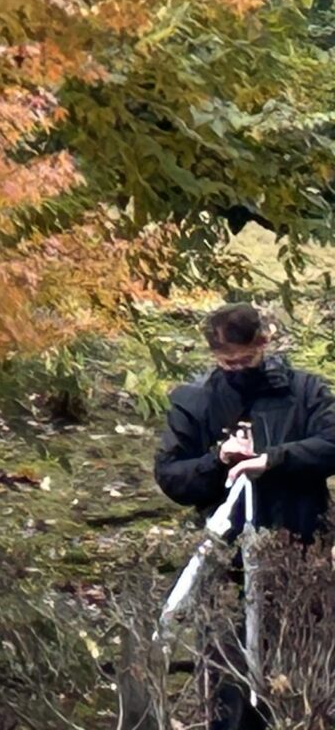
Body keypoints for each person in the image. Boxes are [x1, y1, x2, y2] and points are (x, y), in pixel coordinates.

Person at [154, 303, 335, 729]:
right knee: (229, 690)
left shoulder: (306, 392)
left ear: (263, 343)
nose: (237, 369)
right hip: (226, 568)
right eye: (227, 362)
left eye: (246, 359)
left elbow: (332, 444)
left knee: (303, 683)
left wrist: (273, 459)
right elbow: (171, 476)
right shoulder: (194, 401)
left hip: (301, 555)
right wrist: (217, 461)